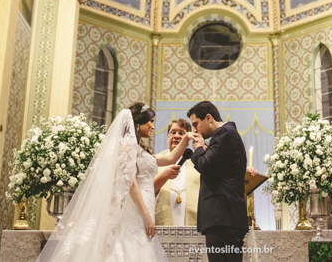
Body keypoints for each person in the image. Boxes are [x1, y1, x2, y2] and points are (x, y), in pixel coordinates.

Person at [36, 102, 197, 261]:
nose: (153, 126)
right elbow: (130, 183)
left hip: (144, 209)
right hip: (137, 211)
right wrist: (146, 215)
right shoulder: (128, 146)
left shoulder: (139, 149)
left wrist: (187, 137)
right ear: (138, 122)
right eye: (151, 122)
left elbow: (170, 158)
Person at [188, 101, 248, 262]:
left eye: (196, 124)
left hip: (223, 216)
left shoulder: (224, 133)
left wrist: (199, 149)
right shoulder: (226, 134)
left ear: (208, 118)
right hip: (225, 217)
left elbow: (206, 166)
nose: (195, 130)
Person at [154, 119, 200, 226]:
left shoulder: (197, 162)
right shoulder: (156, 162)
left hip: (192, 221)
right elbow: (147, 190)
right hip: (162, 220)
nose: (177, 136)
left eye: (181, 133)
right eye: (173, 132)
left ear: (188, 140)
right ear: (167, 138)